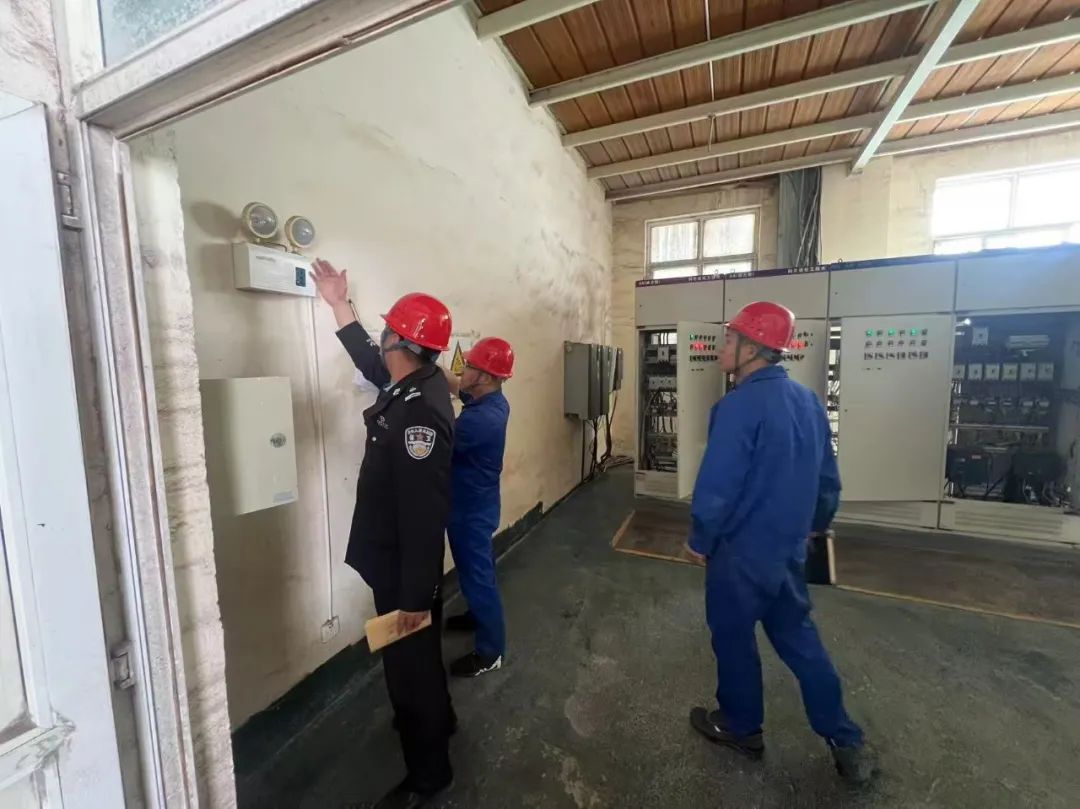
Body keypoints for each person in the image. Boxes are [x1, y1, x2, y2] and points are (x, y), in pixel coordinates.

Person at [686, 301, 874, 785]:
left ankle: (741, 725)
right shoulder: (808, 402)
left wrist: (701, 538)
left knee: (733, 638)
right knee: (801, 641)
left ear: (753, 349)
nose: (722, 347)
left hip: (739, 555)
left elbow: (717, 486)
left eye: (730, 339)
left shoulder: (735, 407)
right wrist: (815, 526)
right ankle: (845, 739)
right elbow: (828, 482)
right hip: (788, 552)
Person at [311, 258, 455, 809]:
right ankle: (439, 722)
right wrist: (338, 304)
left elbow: (423, 515)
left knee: (407, 671)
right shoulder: (416, 380)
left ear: (399, 340)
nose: (382, 337)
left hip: (403, 570)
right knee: (419, 664)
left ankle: (428, 775)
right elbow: (373, 363)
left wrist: (415, 599)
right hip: (397, 561)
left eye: (385, 330)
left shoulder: (420, 415)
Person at [441, 338, 513, 677]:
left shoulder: (479, 421)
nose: (462, 369)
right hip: (477, 502)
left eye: (469, 366)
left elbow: (437, 445)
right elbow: (457, 386)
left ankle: (490, 652)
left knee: (478, 577)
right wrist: (427, 363)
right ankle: (476, 615)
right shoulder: (492, 400)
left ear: (484, 376)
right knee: (476, 571)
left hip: (470, 511)